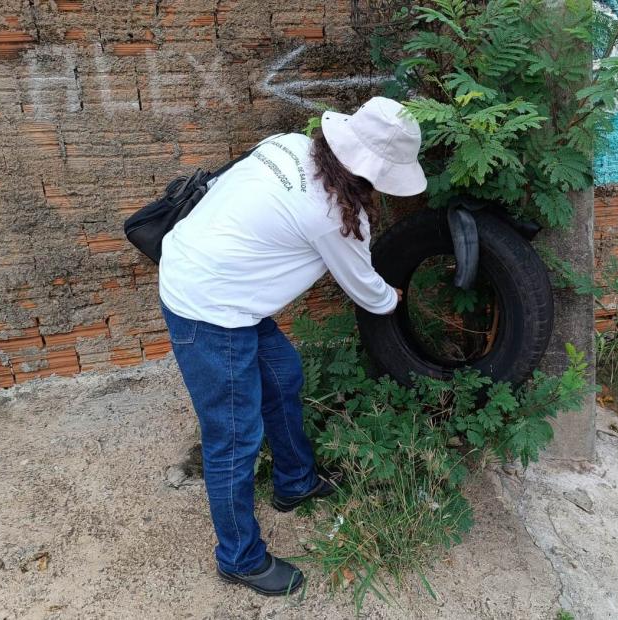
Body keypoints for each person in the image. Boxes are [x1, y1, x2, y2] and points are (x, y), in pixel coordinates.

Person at [158, 96, 427, 596]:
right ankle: (239, 557)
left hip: (220, 284)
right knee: (233, 438)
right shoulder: (336, 218)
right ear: (372, 176)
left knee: (283, 377)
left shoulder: (288, 144)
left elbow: (225, 190)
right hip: (209, 308)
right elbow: (366, 291)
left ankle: (295, 481)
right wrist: (394, 297)